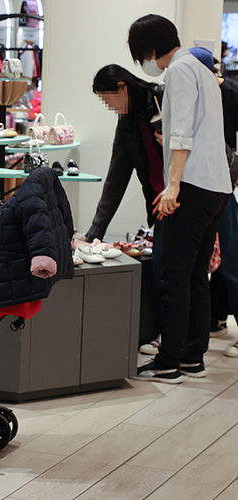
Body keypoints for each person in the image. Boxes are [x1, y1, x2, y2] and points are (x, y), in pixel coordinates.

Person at [128, 14, 232, 383]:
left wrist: (171, 187)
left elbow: (183, 133)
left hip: (192, 186)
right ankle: (192, 357)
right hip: (217, 186)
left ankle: (169, 360)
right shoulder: (203, 68)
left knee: (172, 273)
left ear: (151, 49)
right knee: (195, 275)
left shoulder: (179, 71)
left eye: (141, 53)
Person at [88, 65, 165, 354]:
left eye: (108, 99)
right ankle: (172, 340)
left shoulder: (161, 99)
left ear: (122, 87)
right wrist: (95, 232)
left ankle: (183, 347)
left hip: (191, 196)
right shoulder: (127, 123)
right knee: (168, 270)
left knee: (191, 272)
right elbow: (116, 179)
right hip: (160, 203)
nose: (109, 106)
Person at [188, 46, 238, 357]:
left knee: (230, 260)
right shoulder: (213, 91)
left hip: (220, 183)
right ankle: (216, 317)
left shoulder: (224, 92)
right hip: (214, 183)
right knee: (216, 258)